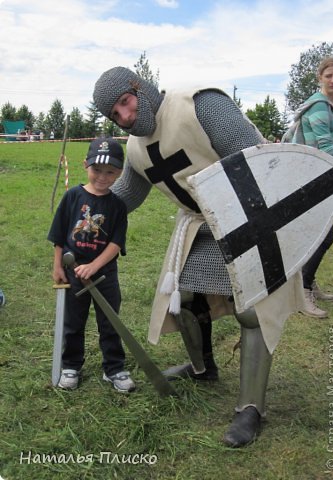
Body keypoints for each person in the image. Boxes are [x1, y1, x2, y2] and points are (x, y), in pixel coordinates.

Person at [93, 67, 305, 447]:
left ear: (138, 87)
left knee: (252, 310)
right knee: (184, 299)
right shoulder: (137, 149)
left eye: (125, 103)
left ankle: (250, 407)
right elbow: (128, 192)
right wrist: (89, 210)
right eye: (114, 114)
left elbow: (255, 158)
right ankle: (202, 368)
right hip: (199, 223)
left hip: (250, 214)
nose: (124, 117)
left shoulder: (198, 105)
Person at [47, 137, 135, 393]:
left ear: (120, 172)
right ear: (86, 164)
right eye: (97, 169)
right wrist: (57, 266)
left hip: (105, 274)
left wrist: (95, 266)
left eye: (111, 172)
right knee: (73, 322)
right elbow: (59, 234)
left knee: (110, 321)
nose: (103, 177)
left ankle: (114, 368)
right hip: (73, 272)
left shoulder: (118, 206)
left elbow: (116, 244)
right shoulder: (73, 196)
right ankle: (71, 365)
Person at [290, 56, 333, 319]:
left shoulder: (331, 106)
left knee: (319, 236)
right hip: (316, 178)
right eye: (329, 76)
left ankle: (308, 283)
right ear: (320, 78)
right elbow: (326, 148)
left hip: (321, 177)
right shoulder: (320, 107)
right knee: (323, 237)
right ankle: (303, 289)